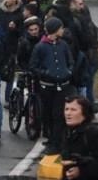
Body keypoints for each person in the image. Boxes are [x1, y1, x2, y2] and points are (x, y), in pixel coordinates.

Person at [30, 17, 75, 155]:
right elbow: (33, 66)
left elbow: (70, 61)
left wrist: (68, 72)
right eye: (61, 28)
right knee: (47, 114)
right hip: (47, 86)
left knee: (58, 115)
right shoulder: (40, 47)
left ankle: (57, 144)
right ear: (55, 30)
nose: (63, 30)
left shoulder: (63, 45)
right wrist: (44, 74)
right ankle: (51, 139)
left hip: (62, 85)